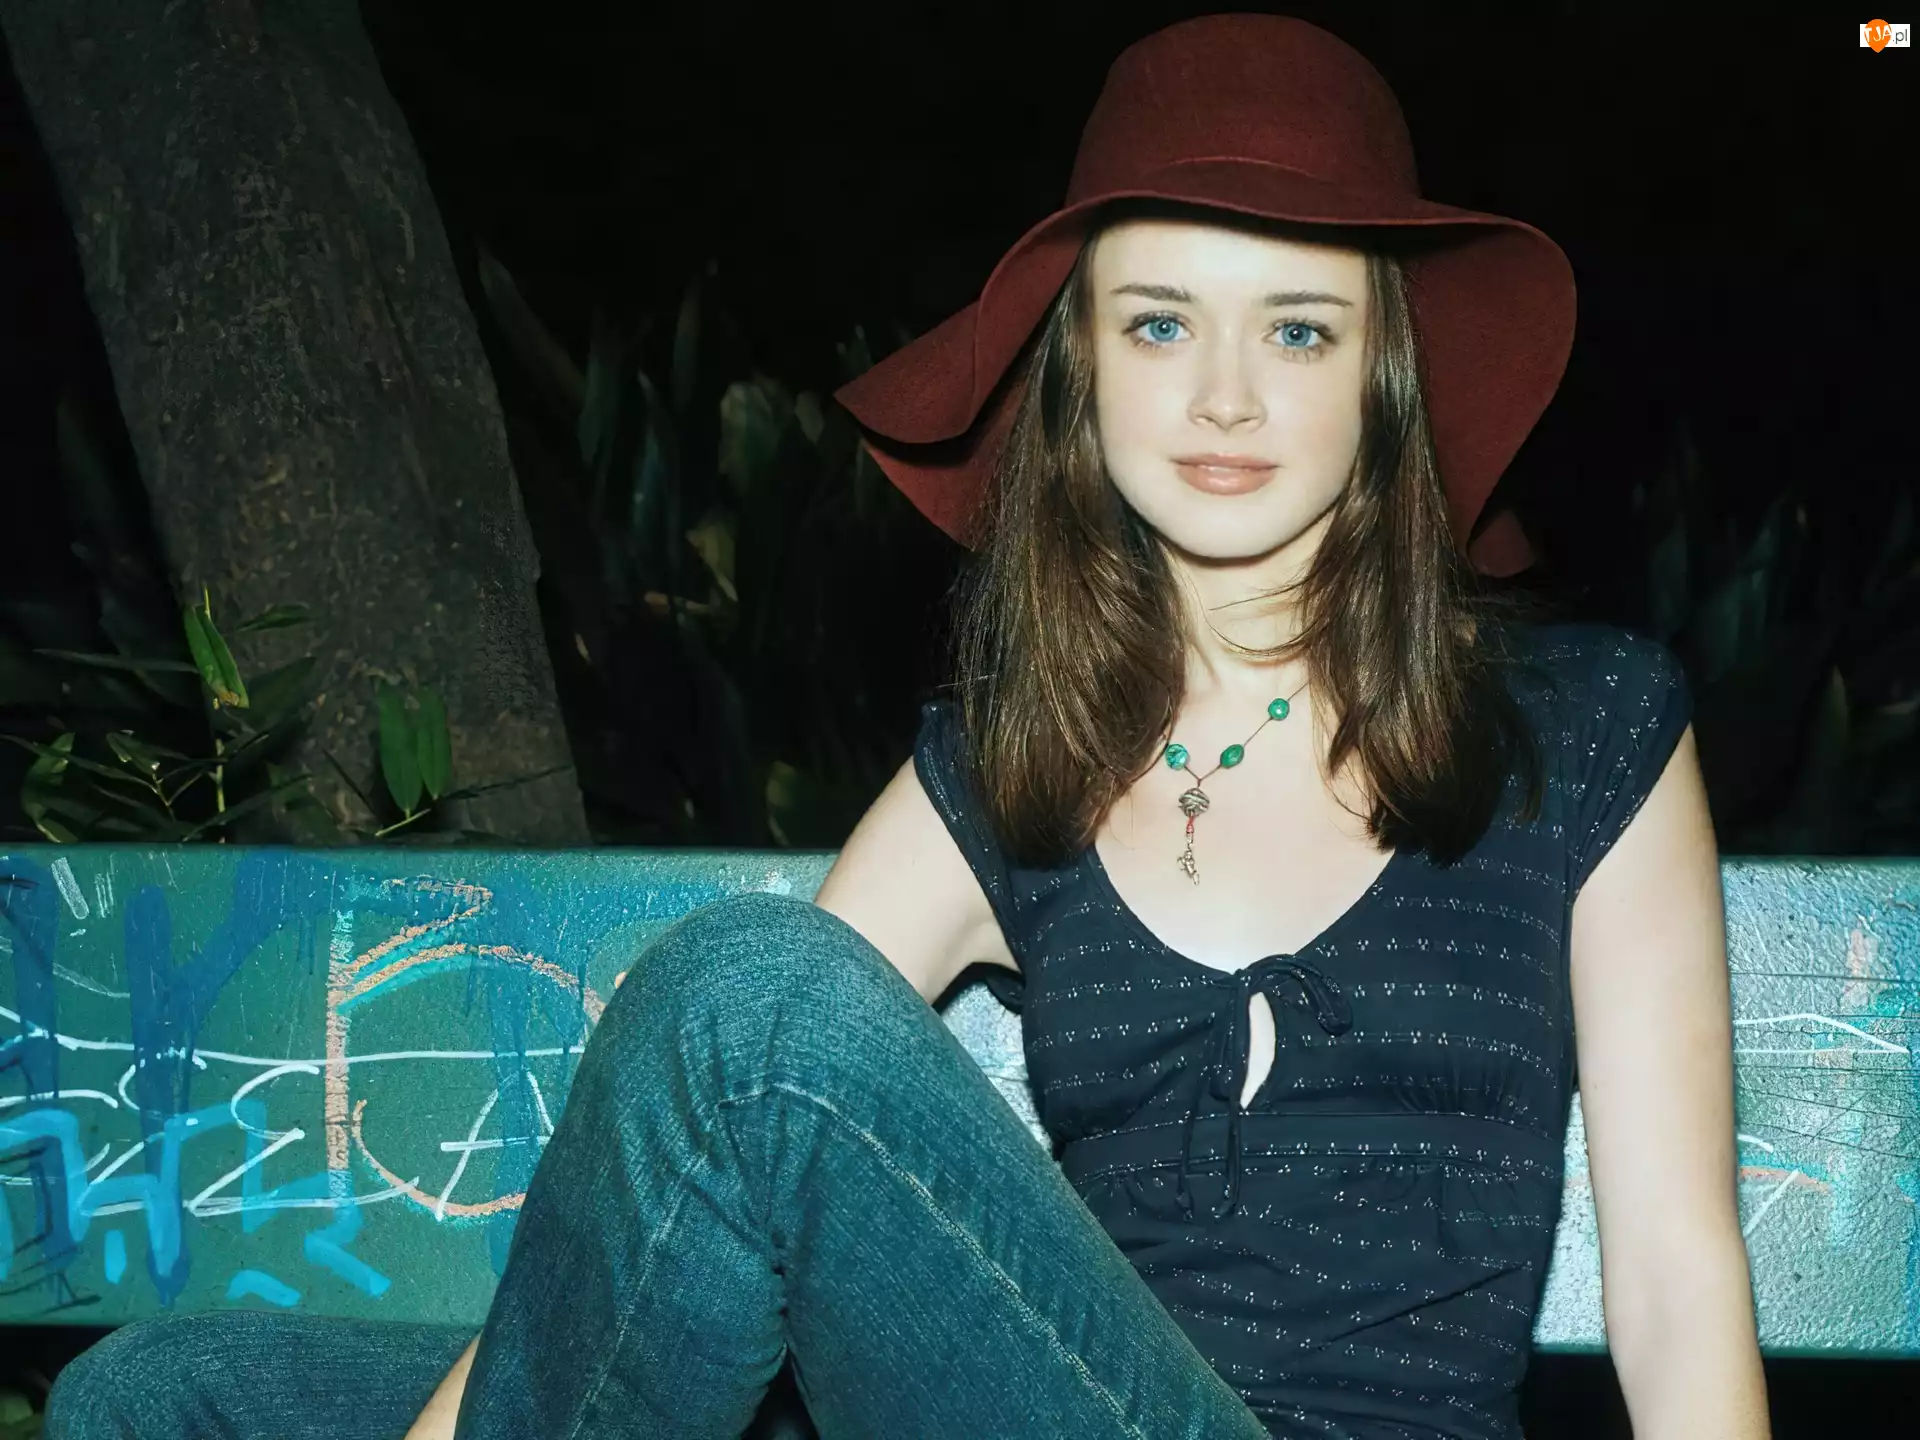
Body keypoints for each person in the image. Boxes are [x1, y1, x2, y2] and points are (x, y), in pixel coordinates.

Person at [44, 13, 1768, 1440]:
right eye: (1161, 323)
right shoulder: (1022, 754)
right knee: (169, 1395)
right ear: (1081, 372)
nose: (1226, 396)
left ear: (1381, 375)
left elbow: (1677, 1285)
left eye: (1298, 330)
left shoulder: (1581, 729)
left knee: (753, 993)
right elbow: (714, 1146)